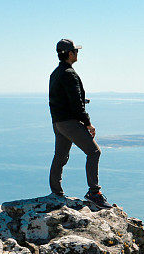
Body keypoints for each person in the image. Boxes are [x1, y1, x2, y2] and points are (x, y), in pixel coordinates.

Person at [48, 39, 112, 208]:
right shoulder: (69, 73)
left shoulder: (55, 73)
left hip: (58, 122)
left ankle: (56, 192)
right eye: (76, 51)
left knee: (60, 156)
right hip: (70, 122)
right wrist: (88, 123)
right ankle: (94, 192)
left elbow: (58, 99)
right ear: (70, 54)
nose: (77, 53)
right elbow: (76, 104)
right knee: (94, 152)